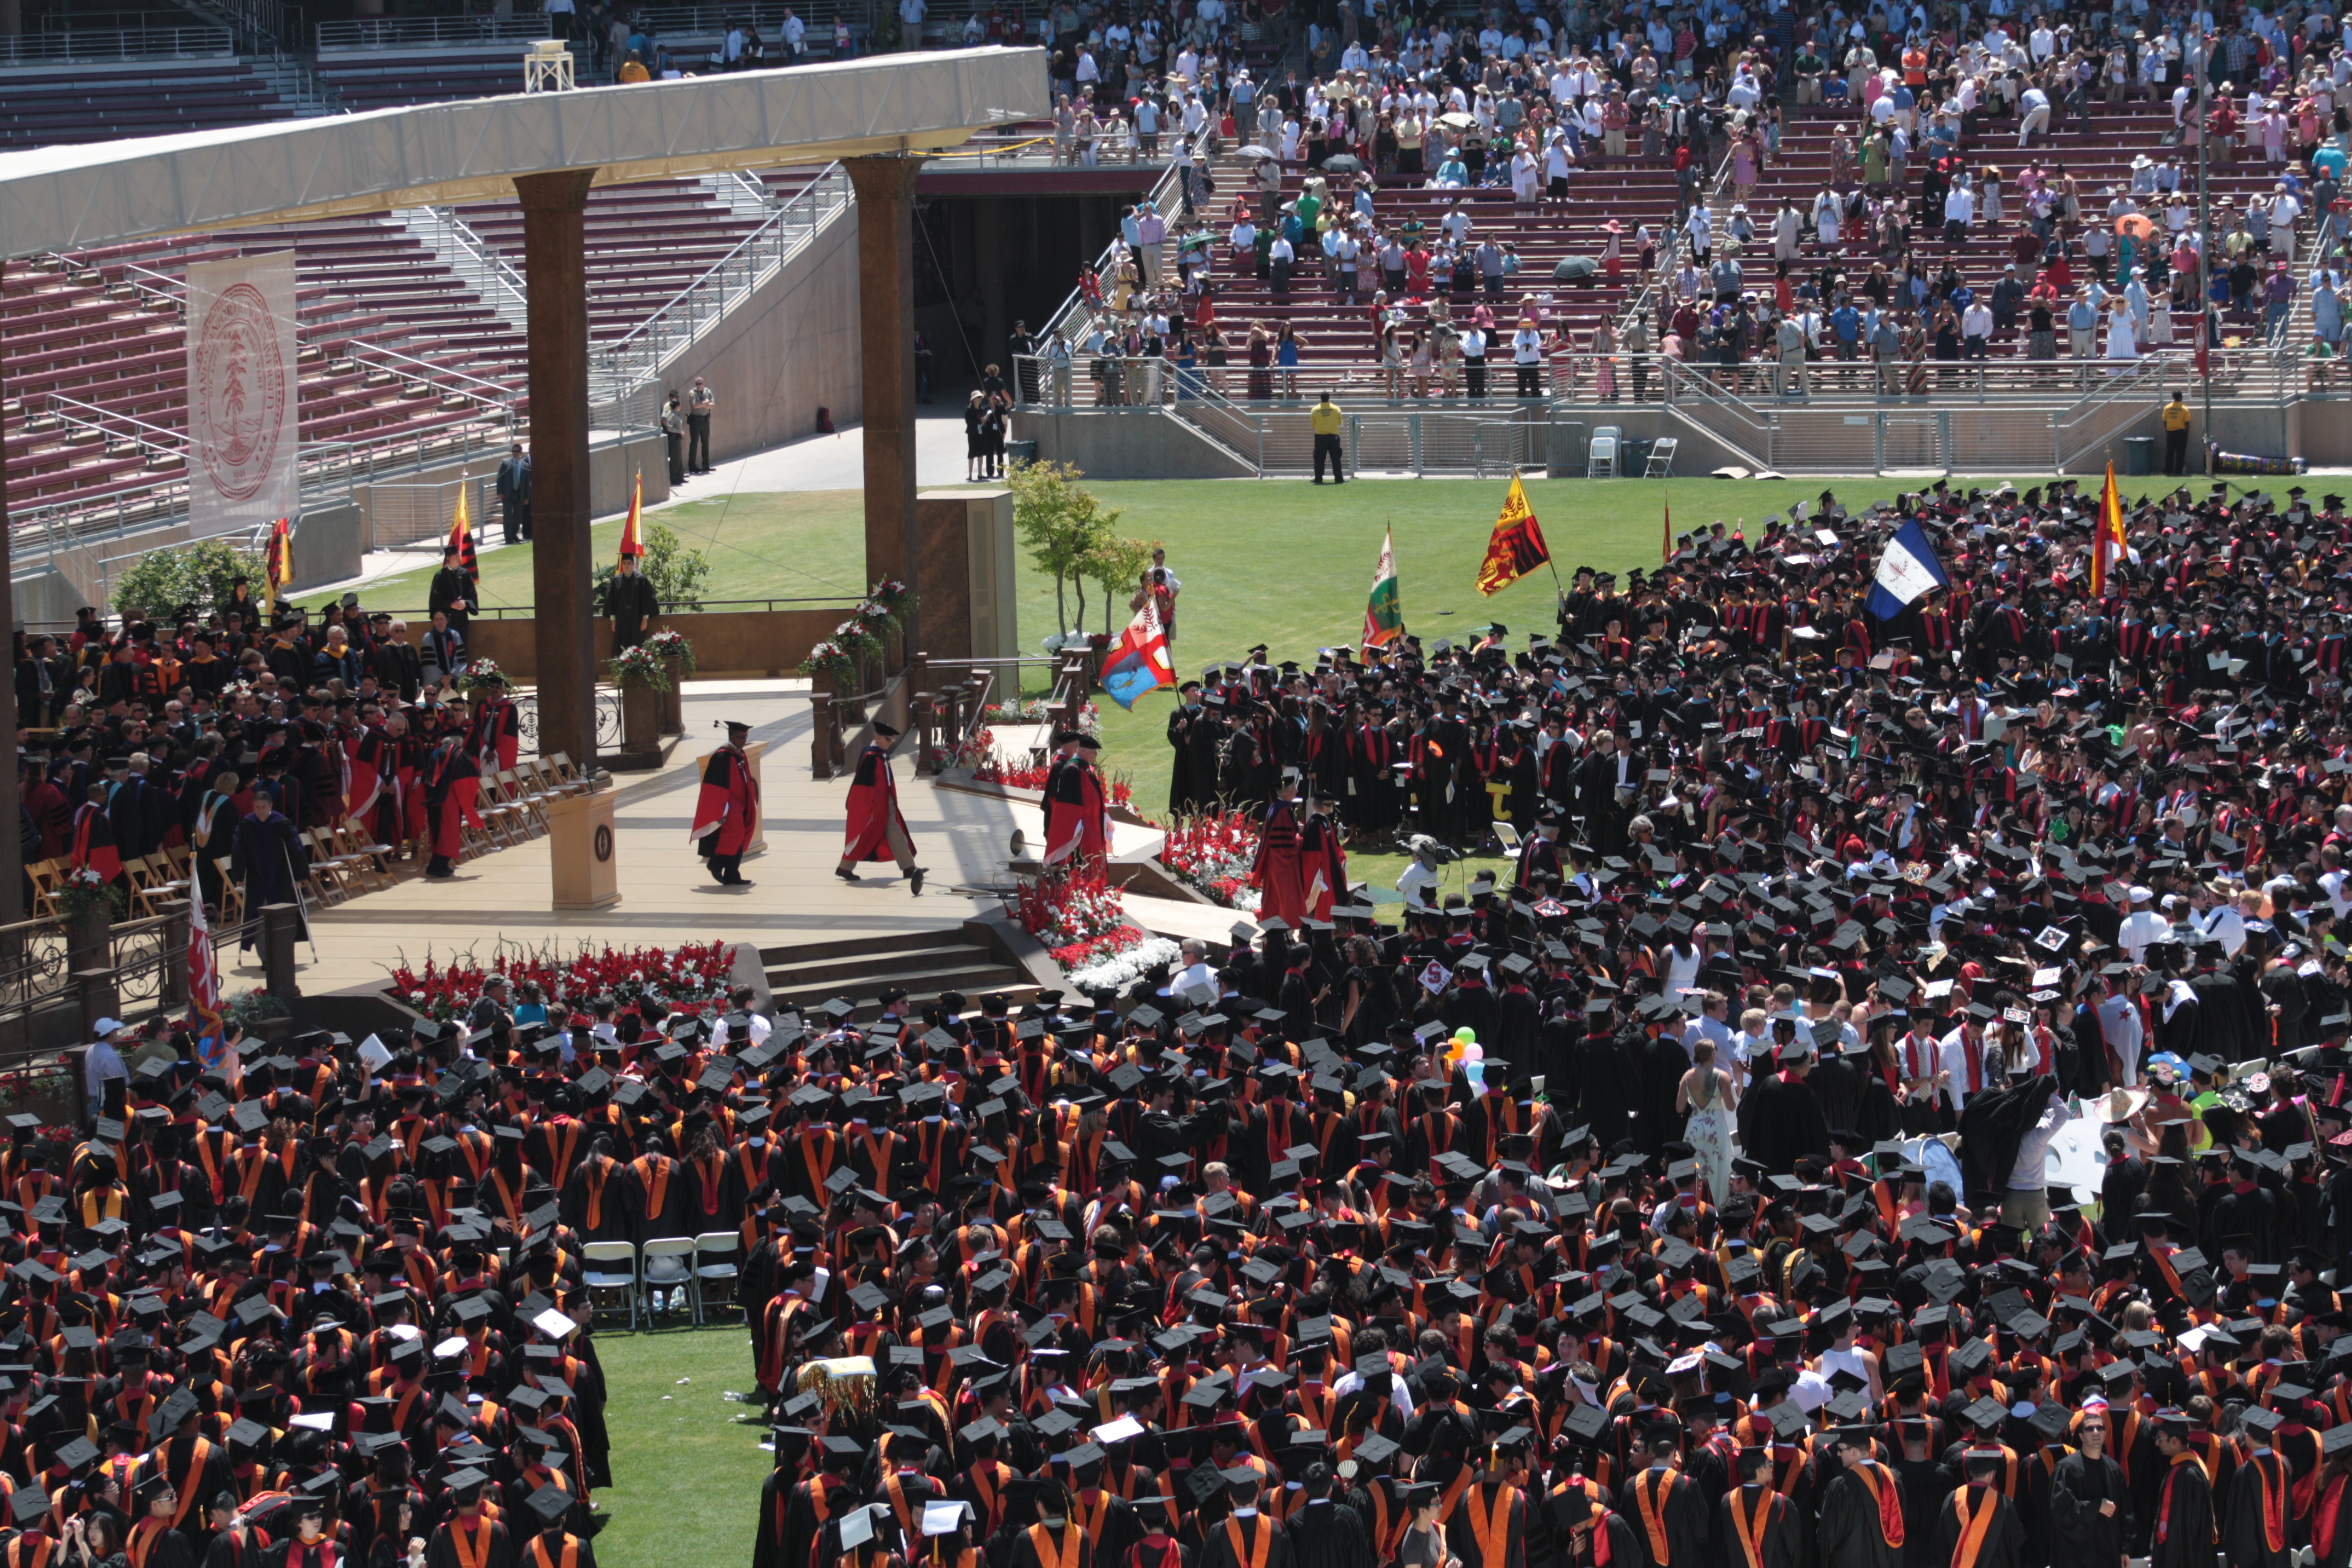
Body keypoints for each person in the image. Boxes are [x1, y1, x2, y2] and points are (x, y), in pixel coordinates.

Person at [836, 722, 923, 893]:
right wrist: (868, 807)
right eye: (888, 740)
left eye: (892, 741)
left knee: (895, 831)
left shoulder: (881, 754)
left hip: (885, 800)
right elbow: (863, 786)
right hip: (874, 804)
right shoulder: (871, 756)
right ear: (878, 737)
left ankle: (909, 867)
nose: (890, 743)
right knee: (863, 834)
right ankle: (844, 867)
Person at [231, 782, 309, 949]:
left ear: (271, 806)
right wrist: (239, 875)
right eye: (257, 807)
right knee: (259, 916)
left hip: (281, 876)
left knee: (282, 914)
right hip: (256, 876)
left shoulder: (282, 824)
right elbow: (239, 851)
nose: (260, 811)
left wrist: (299, 876)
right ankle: (265, 957)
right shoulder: (247, 825)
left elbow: (296, 850)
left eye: (264, 807)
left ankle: (282, 952)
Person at [693, 719, 762, 887]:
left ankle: (733, 874)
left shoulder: (739, 753)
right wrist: (722, 809)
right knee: (733, 836)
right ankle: (715, 865)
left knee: (742, 836)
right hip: (729, 805)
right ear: (732, 737)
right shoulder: (722, 756)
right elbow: (715, 787)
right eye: (741, 738)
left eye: (745, 738)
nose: (744, 741)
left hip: (742, 802)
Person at [602, 548, 661, 655]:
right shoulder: (616, 580)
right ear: (622, 565)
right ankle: (623, 664)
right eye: (624, 563)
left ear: (634, 564)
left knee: (637, 644)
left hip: (637, 619)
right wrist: (613, 621)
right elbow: (610, 600)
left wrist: (645, 620)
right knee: (622, 644)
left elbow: (647, 599)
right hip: (621, 619)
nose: (627, 565)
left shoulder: (642, 580)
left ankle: (638, 664)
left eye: (629, 563)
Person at [428, 545, 475, 636]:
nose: (459, 559)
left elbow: (472, 594)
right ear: (448, 558)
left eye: (459, 556)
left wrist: (465, 603)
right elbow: (435, 599)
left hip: (461, 617)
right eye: (456, 556)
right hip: (446, 618)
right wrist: (450, 604)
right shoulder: (440, 576)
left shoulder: (465, 574)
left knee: (461, 641)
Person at [495, 442, 532, 545]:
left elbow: (527, 483)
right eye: (513, 451)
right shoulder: (506, 463)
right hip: (508, 494)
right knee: (508, 516)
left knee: (518, 516)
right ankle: (508, 538)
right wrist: (500, 492)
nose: (515, 453)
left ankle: (514, 535)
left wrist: (527, 497)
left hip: (520, 494)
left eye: (517, 451)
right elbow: (500, 478)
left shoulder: (525, 465)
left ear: (521, 452)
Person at [1310, 388, 1344, 482]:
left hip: (1320, 438)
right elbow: (1340, 423)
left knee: (1319, 459)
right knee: (1336, 458)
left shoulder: (1315, 410)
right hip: (1334, 437)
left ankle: (1318, 478)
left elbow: (1313, 425)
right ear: (1329, 398)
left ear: (1320, 398)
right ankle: (1339, 478)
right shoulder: (1336, 409)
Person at [685, 376, 715, 474]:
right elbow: (694, 406)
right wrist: (705, 403)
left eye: (700, 383)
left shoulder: (708, 392)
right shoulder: (692, 393)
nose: (699, 385)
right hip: (695, 421)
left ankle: (706, 464)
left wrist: (701, 404)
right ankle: (692, 466)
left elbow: (713, 405)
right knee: (694, 443)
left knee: (705, 443)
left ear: (704, 383)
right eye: (697, 384)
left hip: (705, 420)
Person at [2162, 391, 2194, 474]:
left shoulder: (2167, 408)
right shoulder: (2184, 409)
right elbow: (2187, 423)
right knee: (2180, 454)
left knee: (2170, 453)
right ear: (2180, 397)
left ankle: (2168, 470)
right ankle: (2178, 471)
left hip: (2170, 433)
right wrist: (2186, 435)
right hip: (2181, 433)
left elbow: (2165, 421)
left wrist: (2167, 432)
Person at [661, 391, 687, 486]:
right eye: (676, 397)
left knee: (679, 457)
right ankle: (674, 478)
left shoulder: (675, 413)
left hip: (677, 437)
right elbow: (669, 426)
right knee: (675, 458)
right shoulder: (671, 413)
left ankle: (680, 477)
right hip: (674, 437)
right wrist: (679, 432)